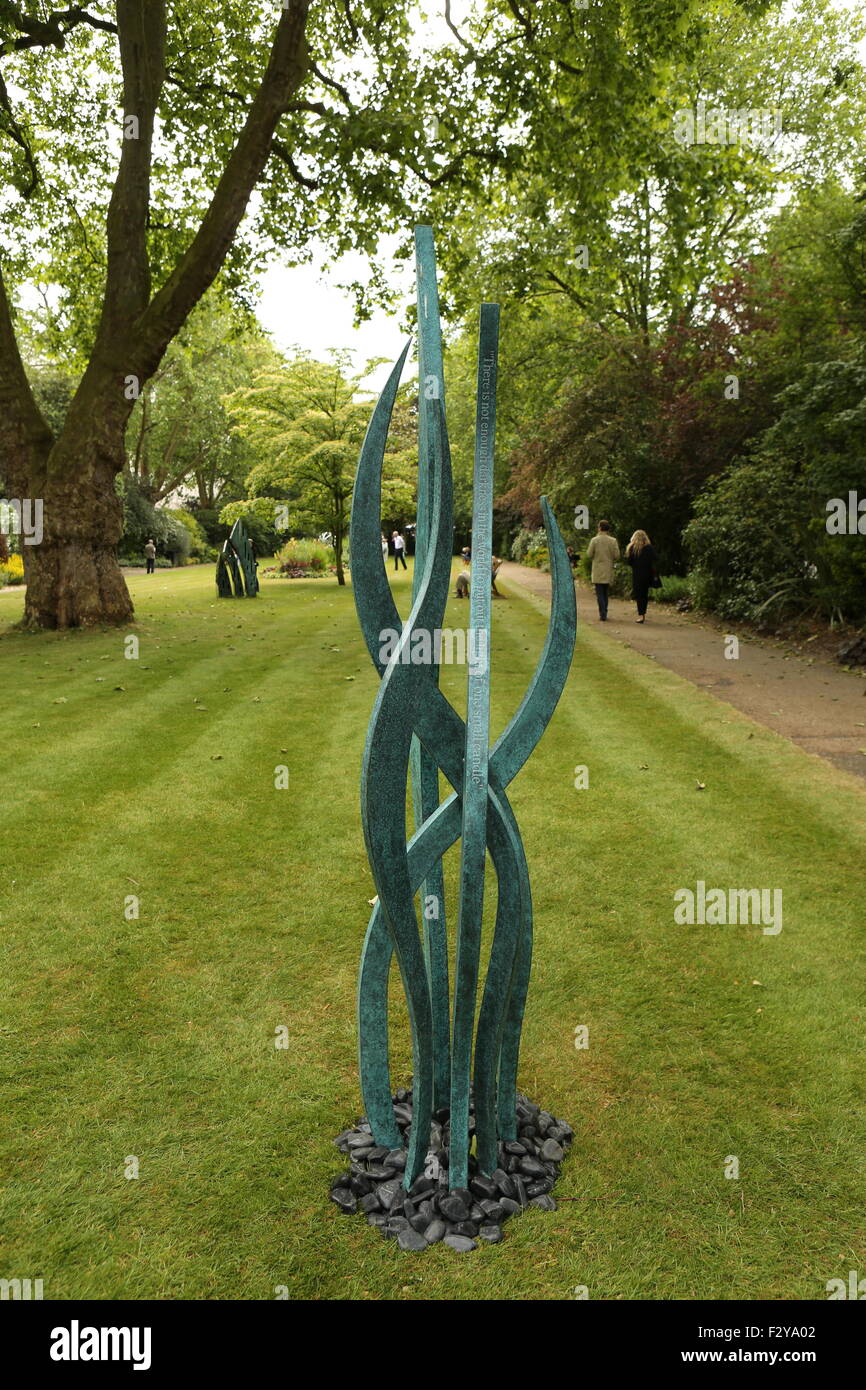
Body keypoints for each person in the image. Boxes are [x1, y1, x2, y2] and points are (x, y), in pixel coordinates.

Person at [585, 520, 619, 621]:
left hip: (597, 569)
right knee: (605, 592)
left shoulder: (594, 540)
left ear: (599, 528)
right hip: (608, 568)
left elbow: (589, 554)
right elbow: (617, 555)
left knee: (599, 593)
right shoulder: (613, 541)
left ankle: (602, 613)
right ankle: (605, 611)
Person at [625, 529, 659, 623]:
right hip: (648, 574)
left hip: (637, 575)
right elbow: (655, 558)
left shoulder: (632, 548)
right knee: (644, 595)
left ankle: (641, 615)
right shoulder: (649, 548)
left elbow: (629, 562)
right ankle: (643, 613)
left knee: (639, 595)